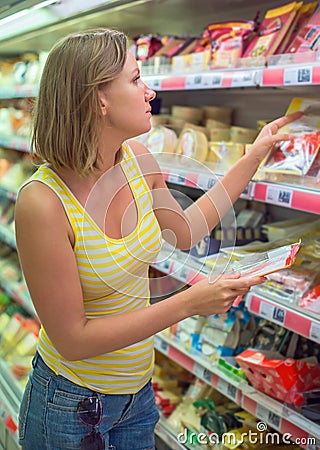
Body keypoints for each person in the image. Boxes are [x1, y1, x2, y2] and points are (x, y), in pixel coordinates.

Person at [14, 28, 301, 450]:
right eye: (135, 79)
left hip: (138, 397)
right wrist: (188, 303)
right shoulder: (42, 202)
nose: (149, 92)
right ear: (99, 99)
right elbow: (72, 339)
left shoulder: (136, 159)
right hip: (70, 405)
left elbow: (185, 231)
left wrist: (254, 154)